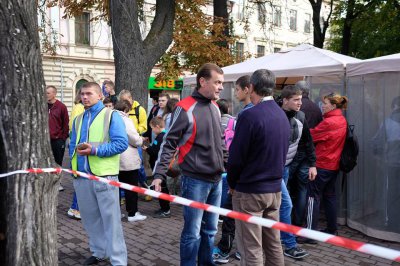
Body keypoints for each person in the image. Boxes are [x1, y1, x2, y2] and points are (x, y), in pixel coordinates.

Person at [152, 63, 227, 265]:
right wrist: (159, 174)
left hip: (217, 179)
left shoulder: (215, 107)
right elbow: (169, 144)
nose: (221, 87)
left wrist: (227, 167)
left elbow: (221, 142)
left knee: (210, 231)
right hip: (195, 180)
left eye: (222, 83)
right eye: (217, 82)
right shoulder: (184, 108)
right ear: (203, 81)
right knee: (192, 233)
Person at [227, 69, 289, 266]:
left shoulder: (250, 116)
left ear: (251, 87)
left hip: (251, 191)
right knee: (273, 244)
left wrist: (232, 182)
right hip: (274, 189)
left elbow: (236, 156)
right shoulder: (281, 115)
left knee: (251, 247)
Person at [70, 82, 128, 265]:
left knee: (112, 223)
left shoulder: (111, 116)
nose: (84, 97)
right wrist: (74, 172)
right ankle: (98, 252)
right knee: (90, 220)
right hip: (82, 177)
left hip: (105, 177)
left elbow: (121, 144)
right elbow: (72, 146)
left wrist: (94, 150)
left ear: (99, 96)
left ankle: (118, 260)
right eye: (82, 94)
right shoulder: (78, 119)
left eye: (89, 93)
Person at [213, 75, 254, 264]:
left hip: (243, 177)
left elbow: (239, 149)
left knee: (232, 212)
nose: (234, 92)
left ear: (247, 89)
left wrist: (233, 180)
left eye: (237, 89)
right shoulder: (268, 112)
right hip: (253, 177)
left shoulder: (247, 114)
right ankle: (240, 250)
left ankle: (226, 250)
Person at [279, 85, 316, 259]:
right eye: (296, 99)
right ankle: (290, 243)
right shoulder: (276, 116)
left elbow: (308, 141)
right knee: (285, 204)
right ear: (285, 100)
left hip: (286, 168)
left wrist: (312, 164)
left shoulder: (301, 116)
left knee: (278, 205)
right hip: (273, 170)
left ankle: (277, 238)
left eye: (301, 99)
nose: (300, 103)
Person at [305, 93, 348, 239]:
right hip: (333, 165)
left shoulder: (329, 122)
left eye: (325, 103)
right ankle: (331, 229)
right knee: (330, 197)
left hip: (322, 164)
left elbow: (312, 135)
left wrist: (299, 128)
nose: (322, 105)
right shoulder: (341, 119)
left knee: (313, 197)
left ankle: (309, 234)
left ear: (333, 106)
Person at [289, 81, 322, 227]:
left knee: (288, 186)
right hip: (308, 153)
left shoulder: (295, 108)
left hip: (295, 151)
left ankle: (287, 221)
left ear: (300, 92)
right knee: (302, 188)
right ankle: (298, 222)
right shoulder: (316, 108)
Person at [114, 100, 146, 222]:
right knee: (131, 188)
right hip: (127, 159)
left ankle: (116, 212)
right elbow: (134, 139)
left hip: (114, 159)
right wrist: (140, 140)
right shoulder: (125, 120)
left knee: (116, 188)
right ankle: (132, 213)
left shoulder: (109, 118)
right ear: (126, 109)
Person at [372, 96, 400, 231]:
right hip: (393, 163)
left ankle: (392, 223)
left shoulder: (388, 122)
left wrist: (379, 158)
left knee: (392, 194)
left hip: (393, 164)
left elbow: (377, 143)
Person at [143, 116, 171, 218]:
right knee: (162, 187)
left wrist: (148, 149)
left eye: (152, 128)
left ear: (157, 127)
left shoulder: (160, 137)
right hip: (159, 167)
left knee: (162, 188)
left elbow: (155, 151)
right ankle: (163, 207)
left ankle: (166, 209)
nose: (152, 131)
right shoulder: (163, 135)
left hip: (158, 167)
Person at [46, 85, 69, 192]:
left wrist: (63, 138)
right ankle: (47, 182)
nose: (46, 95)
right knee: (46, 162)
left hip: (58, 139)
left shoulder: (61, 107)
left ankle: (58, 183)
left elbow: (65, 124)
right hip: (45, 140)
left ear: (54, 94)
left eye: (48, 93)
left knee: (57, 162)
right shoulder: (42, 105)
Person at [67, 89, 85, 220]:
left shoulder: (77, 108)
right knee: (81, 181)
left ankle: (75, 207)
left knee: (80, 181)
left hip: (78, 148)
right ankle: (76, 208)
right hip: (80, 148)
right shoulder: (79, 108)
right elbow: (76, 128)